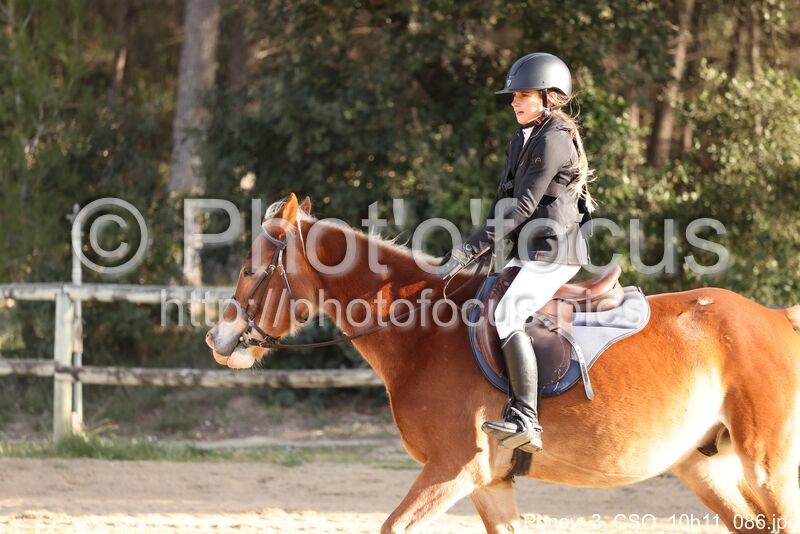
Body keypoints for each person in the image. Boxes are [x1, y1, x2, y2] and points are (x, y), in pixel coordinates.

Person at [437, 52, 594, 453]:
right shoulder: (521, 139)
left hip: (555, 252)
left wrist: (471, 247)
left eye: (523, 95)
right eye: (514, 96)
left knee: (508, 314)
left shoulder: (555, 138)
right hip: (527, 250)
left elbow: (523, 206)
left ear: (549, 97)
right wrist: (476, 251)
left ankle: (526, 418)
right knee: (483, 302)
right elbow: (503, 201)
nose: (514, 102)